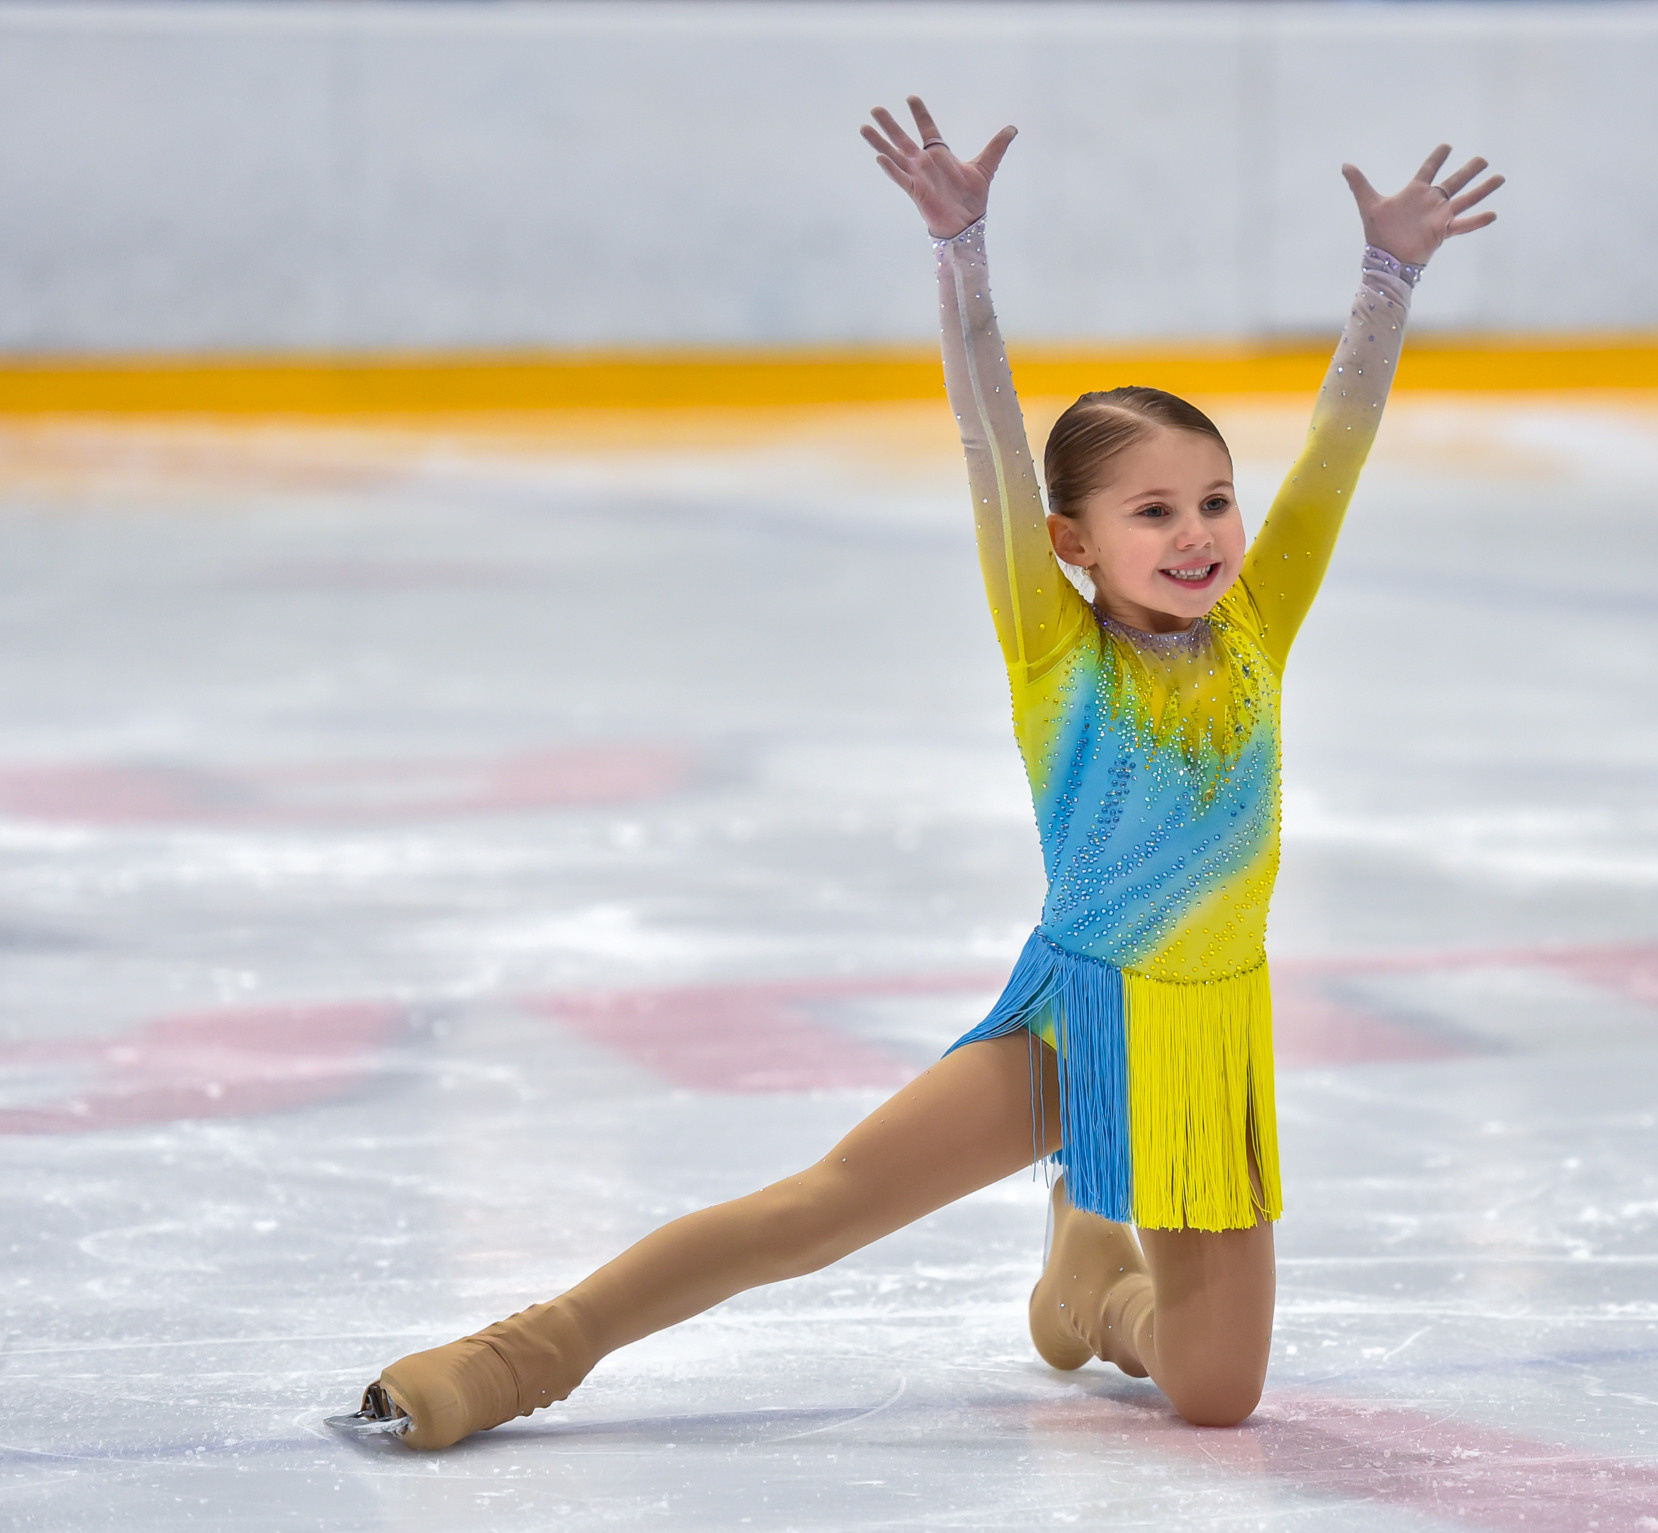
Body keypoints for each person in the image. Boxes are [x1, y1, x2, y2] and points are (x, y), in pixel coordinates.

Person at [332, 95, 1500, 1449]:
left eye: (1213, 500)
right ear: (1073, 540)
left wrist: (1386, 279)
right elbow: (989, 437)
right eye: (1154, 511)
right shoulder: (1057, 656)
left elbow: (1337, 449)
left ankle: (1088, 1276)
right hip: (1075, 1020)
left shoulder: (1256, 623)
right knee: (820, 1208)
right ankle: (519, 1354)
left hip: (1212, 1039)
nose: (1198, 535)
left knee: (1216, 1392)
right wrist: (962, 254)